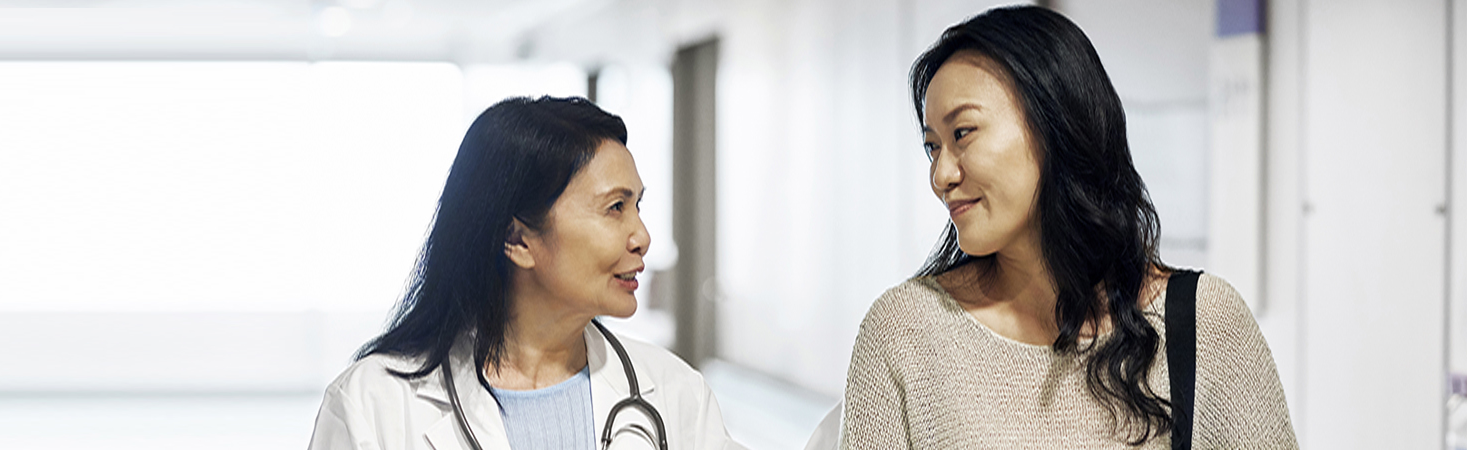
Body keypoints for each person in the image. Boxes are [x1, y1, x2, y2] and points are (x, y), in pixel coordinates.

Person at [816, 6, 1295, 449]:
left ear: (1057, 124)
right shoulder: (904, 332)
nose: (941, 176)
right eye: (932, 147)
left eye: (962, 133)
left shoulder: (1204, 323)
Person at [308, 96, 743, 450]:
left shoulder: (674, 393)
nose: (642, 236)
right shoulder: (375, 405)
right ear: (517, 240)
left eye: (637, 206)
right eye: (615, 208)